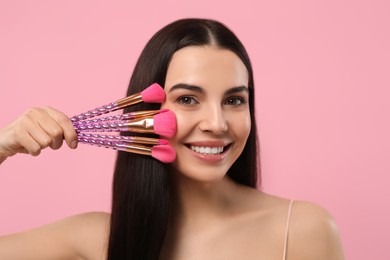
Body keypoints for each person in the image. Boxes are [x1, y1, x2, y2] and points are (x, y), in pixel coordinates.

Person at [0, 18, 345, 260]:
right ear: (144, 115)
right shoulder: (96, 239)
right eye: (188, 99)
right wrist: (3, 145)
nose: (216, 123)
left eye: (234, 100)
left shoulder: (302, 229)